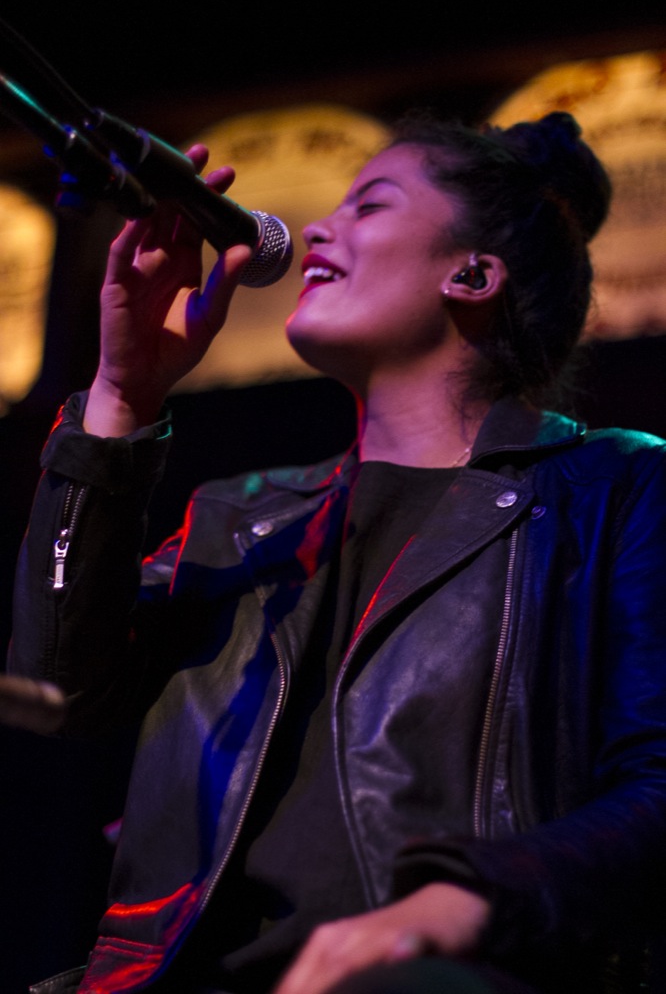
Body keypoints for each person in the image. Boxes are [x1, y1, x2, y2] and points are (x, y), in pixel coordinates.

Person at [9, 110, 666, 994]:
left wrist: (460, 903)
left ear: (472, 274)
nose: (319, 225)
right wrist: (121, 399)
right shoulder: (240, 518)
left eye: (371, 205)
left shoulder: (613, 488)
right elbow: (56, 688)